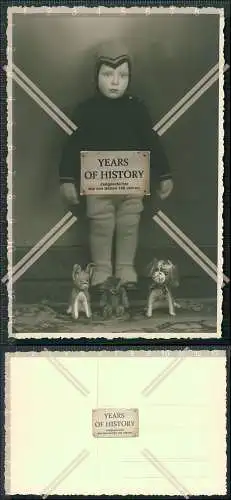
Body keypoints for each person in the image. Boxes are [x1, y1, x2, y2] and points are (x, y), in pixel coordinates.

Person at [59, 40, 173, 292]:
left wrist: (165, 174)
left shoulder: (137, 109)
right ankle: (101, 270)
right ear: (96, 76)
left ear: (129, 77)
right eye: (108, 74)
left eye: (122, 75)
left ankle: (125, 268)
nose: (114, 82)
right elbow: (72, 146)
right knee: (101, 226)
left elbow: (152, 142)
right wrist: (66, 179)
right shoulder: (86, 111)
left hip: (132, 185)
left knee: (129, 225)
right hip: (98, 186)